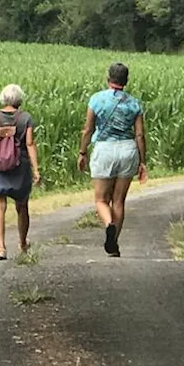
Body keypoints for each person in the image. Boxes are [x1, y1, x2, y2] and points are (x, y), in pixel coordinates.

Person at [77, 62, 147, 257]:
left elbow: (88, 129)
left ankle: (109, 224)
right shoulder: (134, 103)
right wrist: (143, 161)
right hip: (127, 149)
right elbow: (140, 135)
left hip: (104, 149)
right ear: (126, 81)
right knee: (119, 201)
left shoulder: (96, 100)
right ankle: (114, 244)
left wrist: (83, 152)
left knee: (101, 199)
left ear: (109, 78)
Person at [0, 84, 41, 260]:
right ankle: (23, 243)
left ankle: (1, 247)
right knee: (22, 206)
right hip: (20, 166)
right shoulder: (26, 118)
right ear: (19, 99)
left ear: (3, 98)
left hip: (0, 167)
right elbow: (30, 143)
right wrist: (36, 169)